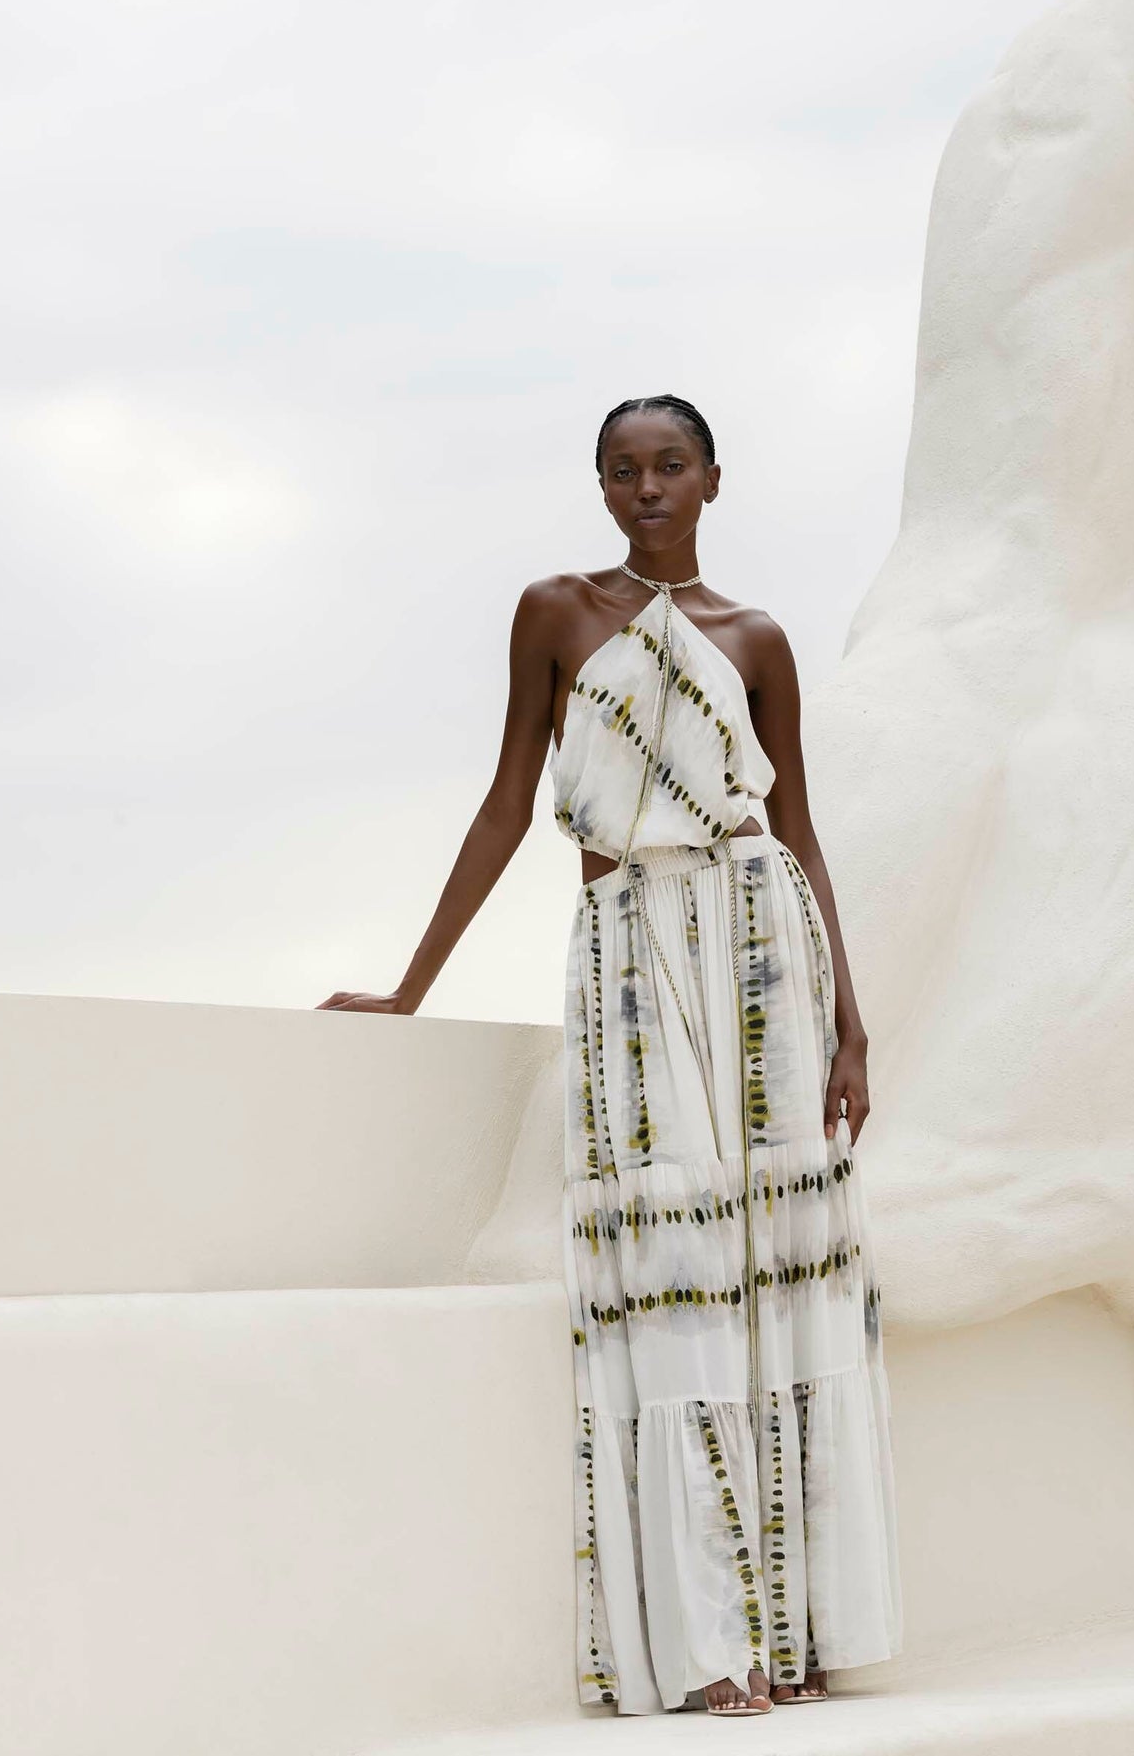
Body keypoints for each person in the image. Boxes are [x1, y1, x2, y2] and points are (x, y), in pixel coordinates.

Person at [319, 393, 902, 1717]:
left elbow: (798, 830)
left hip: (759, 948)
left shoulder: (756, 639)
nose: (647, 488)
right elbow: (508, 798)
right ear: (600, 484)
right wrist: (412, 985)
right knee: (675, 1267)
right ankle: (702, 1641)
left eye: (670, 465)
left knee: (770, 1274)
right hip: (630, 946)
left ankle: (793, 1627)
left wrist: (848, 1019)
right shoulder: (556, 612)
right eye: (623, 469)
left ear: (711, 478)